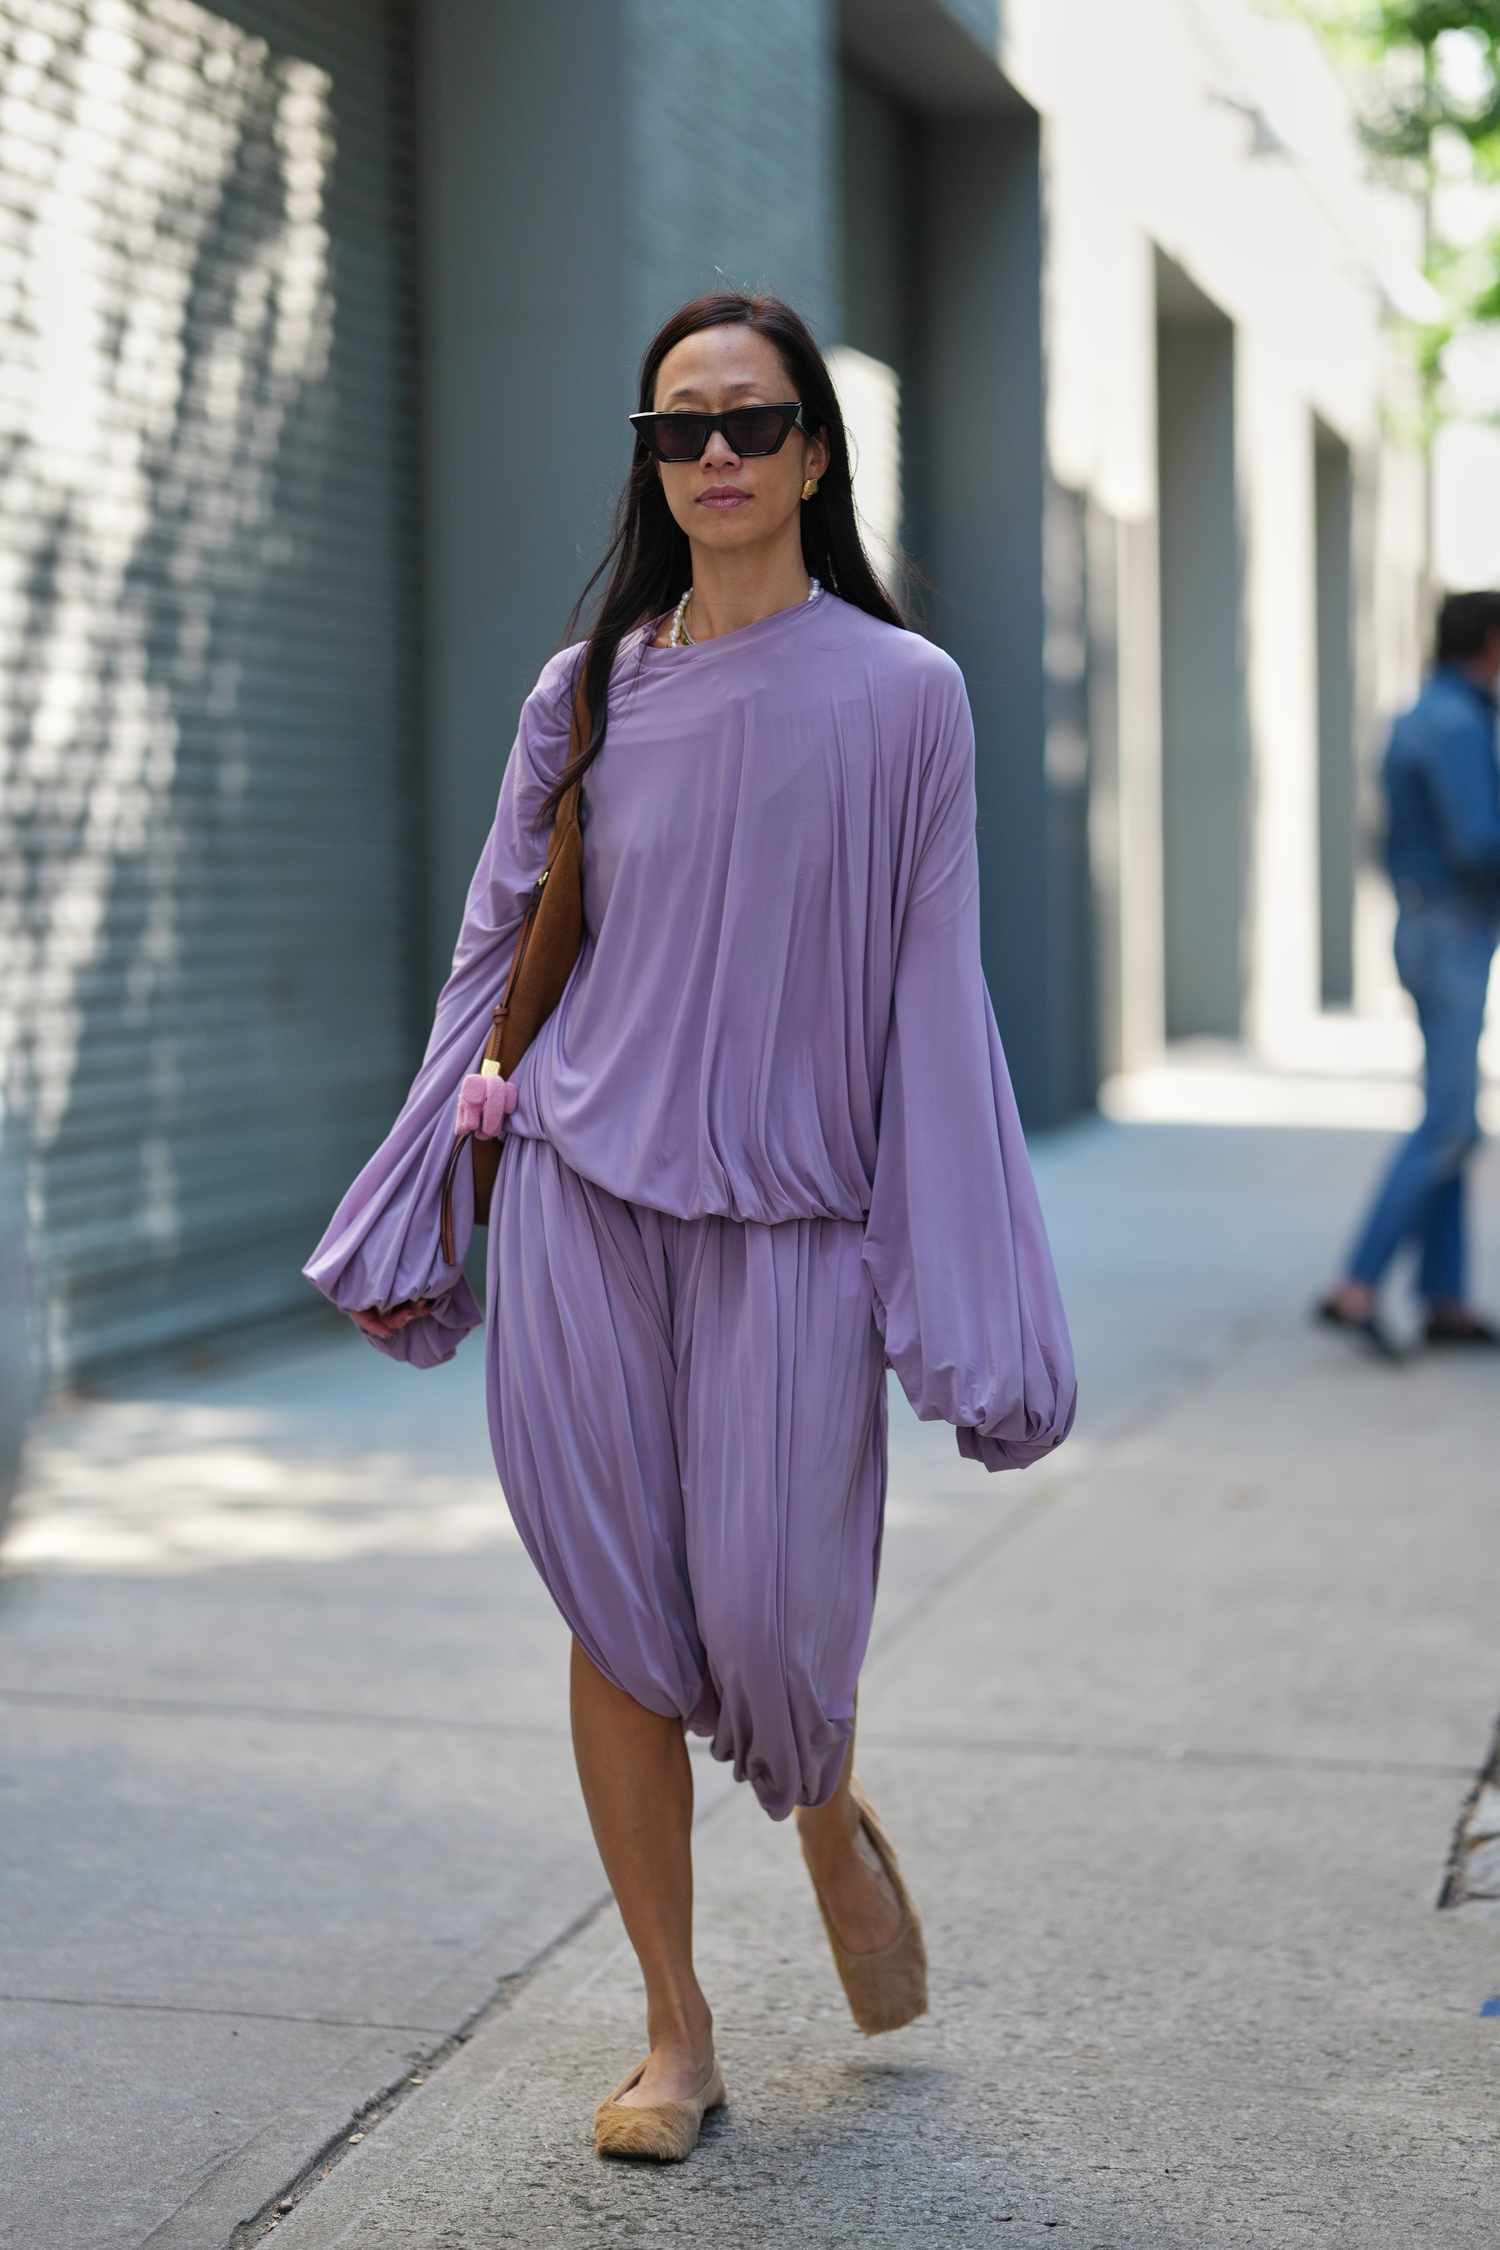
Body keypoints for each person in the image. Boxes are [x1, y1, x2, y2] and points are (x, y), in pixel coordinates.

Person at [302, 291, 1077, 2161]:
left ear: (817, 451)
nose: (715, 455)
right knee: (627, 1616)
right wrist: (423, 1184)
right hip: (583, 1193)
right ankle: (678, 2031)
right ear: (652, 464)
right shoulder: (584, 693)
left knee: (777, 1629)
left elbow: (929, 995)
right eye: (678, 429)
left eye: (752, 422)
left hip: (796, 1225)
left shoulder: (909, 696)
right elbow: (500, 950)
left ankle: (817, 1790)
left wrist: (954, 1284)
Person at [1317, 589, 1500, 1359]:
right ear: (1489, 643)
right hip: (1449, 931)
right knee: (1448, 1123)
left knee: (1456, 1120)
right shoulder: (1457, 722)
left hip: (1431, 926)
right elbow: (1480, 842)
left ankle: (1446, 1298)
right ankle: (1355, 1286)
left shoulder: (1428, 710)